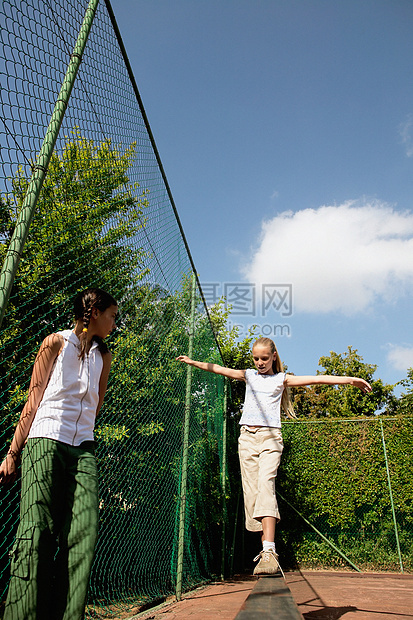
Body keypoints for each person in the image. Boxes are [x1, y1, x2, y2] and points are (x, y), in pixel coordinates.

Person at [176, 337, 371, 576]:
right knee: (253, 494)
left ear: (274, 357)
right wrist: (192, 361)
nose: (260, 363)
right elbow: (218, 369)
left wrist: (350, 380)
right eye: (256, 358)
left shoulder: (282, 379)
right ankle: (264, 554)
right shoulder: (248, 375)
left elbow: (319, 378)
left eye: (264, 358)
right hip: (246, 438)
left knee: (266, 483)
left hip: (270, 438)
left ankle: (270, 550)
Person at [0, 287, 118, 620]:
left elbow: (96, 406)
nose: (114, 323)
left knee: (85, 532)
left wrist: (83, 434)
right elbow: (33, 400)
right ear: (94, 312)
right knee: (35, 530)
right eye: (112, 315)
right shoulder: (55, 343)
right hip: (45, 438)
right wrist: (13, 452)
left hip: (83, 449)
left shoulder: (103, 356)